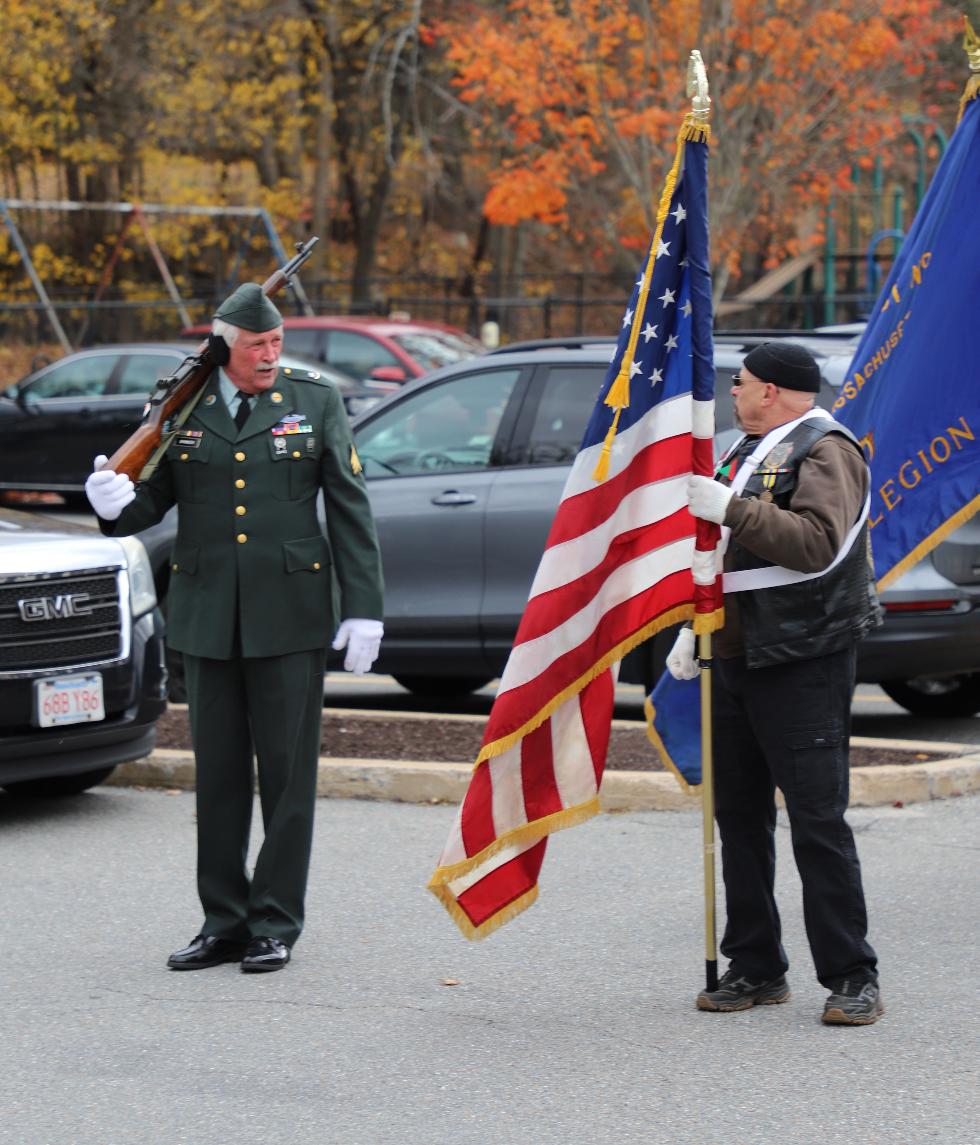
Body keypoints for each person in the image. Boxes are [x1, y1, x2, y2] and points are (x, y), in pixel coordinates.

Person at [85, 284, 384, 974]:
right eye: (257, 346)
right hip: (207, 615)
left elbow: (348, 502)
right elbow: (153, 499)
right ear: (224, 348)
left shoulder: (314, 400)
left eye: (277, 342)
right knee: (217, 778)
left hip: (292, 614)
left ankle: (275, 920)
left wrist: (364, 603)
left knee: (287, 778)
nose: (270, 355)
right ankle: (224, 919)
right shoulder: (184, 404)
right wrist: (109, 503)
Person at [667, 341, 884, 1025]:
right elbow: (724, 554)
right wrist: (691, 626)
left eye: (742, 383)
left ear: (778, 391)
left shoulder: (826, 450)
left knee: (817, 821)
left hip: (803, 656)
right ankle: (756, 965)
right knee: (738, 816)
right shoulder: (745, 450)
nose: (732, 392)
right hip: (734, 652)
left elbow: (816, 541)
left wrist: (731, 507)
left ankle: (853, 975)